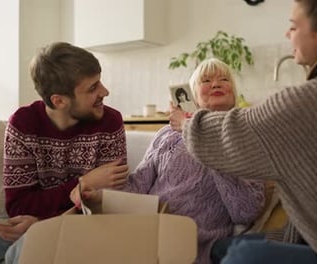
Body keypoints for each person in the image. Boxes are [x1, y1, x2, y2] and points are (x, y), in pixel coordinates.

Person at [170, 0, 317, 263]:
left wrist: (187, 122)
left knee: (241, 255)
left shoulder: (310, 101)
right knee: (220, 247)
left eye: (294, 26)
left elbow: (235, 131)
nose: (287, 34)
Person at [0, 42, 129, 264]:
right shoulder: (23, 124)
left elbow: (108, 207)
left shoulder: (110, 123)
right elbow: (19, 206)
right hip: (31, 231)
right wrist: (83, 182)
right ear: (59, 100)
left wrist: (42, 224)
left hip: (77, 234)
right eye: (92, 88)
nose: (104, 92)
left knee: (33, 244)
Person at [73, 58, 266, 264]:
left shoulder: (245, 137)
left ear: (234, 92)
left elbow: (245, 211)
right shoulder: (167, 134)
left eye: (224, 79)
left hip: (194, 244)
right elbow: (138, 185)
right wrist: (101, 198)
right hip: (147, 233)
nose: (216, 84)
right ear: (192, 94)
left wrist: (203, 140)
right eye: (206, 80)